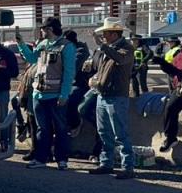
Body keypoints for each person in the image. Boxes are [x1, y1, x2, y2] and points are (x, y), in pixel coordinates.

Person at [17, 18, 76, 169]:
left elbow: (69, 72)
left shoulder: (67, 47)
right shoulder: (42, 45)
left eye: (43, 29)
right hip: (39, 94)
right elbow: (31, 58)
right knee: (42, 129)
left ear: (50, 29)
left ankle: (62, 160)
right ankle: (41, 159)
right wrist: (21, 44)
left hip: (56, 96)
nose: (41, 31)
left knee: (60, 129)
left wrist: (64, 95)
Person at [86, 20, 136, 179]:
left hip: (117, 96)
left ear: (114, 34)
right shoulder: (109, 49)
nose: (103, 37)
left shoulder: (126, 48)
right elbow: (100, 68)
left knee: (120, 133)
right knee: (104, 132)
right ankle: (106, 163)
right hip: (103, 94)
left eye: (106, 34)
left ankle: (128, 167)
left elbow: (120, 60)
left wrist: (103, 47)